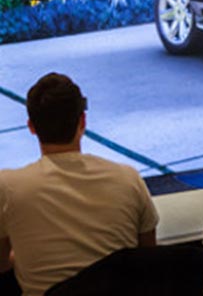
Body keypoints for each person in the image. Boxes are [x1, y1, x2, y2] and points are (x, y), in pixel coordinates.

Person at [0, 73, 159, 296]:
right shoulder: (129, 178)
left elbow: (2, 264)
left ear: (31, 127)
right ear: (82, 121)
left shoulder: (8, 187)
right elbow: (149, 258)